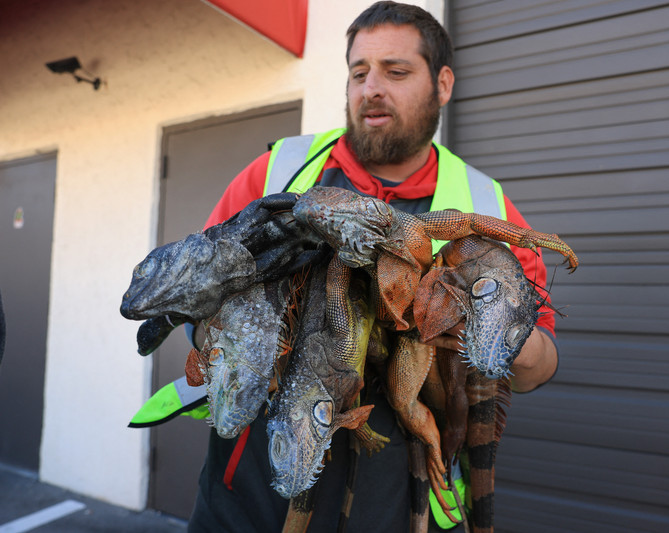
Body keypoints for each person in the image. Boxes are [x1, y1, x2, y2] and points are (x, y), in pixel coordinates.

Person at [187, 2, 558, 531]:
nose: (371, 88)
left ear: (443, 83)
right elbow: (192, 300)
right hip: (245, 502)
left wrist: (497, 328)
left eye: (396, 71)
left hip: (393, 508)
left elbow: (539, 365)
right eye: (358, 72)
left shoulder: (486, 204)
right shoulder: (277, 172)